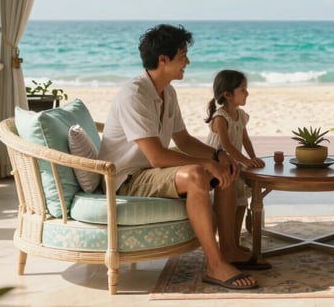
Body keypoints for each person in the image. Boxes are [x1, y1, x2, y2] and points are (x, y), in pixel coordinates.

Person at [99, 24, 266, 291]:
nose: (187, 61)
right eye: (182, 55)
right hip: (127, 177)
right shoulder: (135, 94)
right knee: (197, 174)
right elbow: (155, 156)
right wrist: (205, 162)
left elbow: (184, 140)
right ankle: (215, 265)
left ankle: (230, 250)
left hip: (151, 170)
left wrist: (218, 155)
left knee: (222, 166)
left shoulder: (167, 91)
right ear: (163, 59)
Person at [205, 69, 265, 249]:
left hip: (236, 164)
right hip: (220, 166)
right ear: (228, 94)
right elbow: (227, 146)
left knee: (241, 203)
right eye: (243, 89)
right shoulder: (220, 118)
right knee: (230, 206)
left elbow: (245, 139)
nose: (247, 93)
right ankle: (226, 243)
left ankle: (234, 242)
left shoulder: (240, 115)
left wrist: (253, 157)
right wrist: (246, 161)